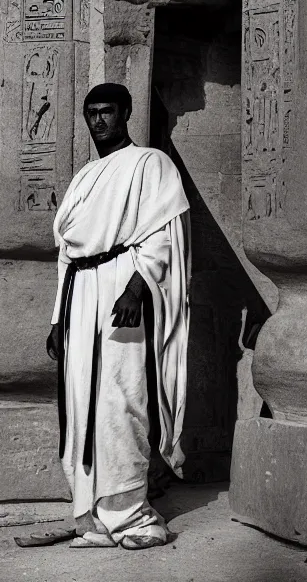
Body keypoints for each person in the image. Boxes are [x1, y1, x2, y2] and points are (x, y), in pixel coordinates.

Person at [46, 83, 190, 550]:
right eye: (92, 113)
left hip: (122, 291)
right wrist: (57, 319)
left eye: (107, 111)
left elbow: (162, 233)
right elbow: (67, 253)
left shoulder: (150, 164)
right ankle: (91, 515)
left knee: (121, 398)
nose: (99, 121)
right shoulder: (84, 176)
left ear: (126, 112)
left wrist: (135, 287)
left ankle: (133, 515)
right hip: (79, 296)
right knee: (80, 407)